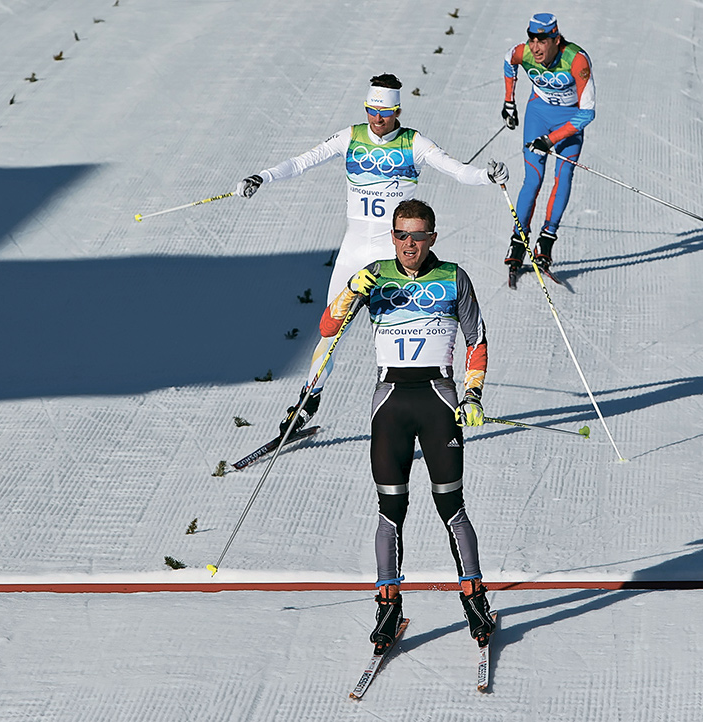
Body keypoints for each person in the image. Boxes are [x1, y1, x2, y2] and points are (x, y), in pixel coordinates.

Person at [235, 74, 509, 437]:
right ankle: (306, 402)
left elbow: (455, 169)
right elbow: (303, 161)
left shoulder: (414, 143)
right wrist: (262, 177)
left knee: (403, 335)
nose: (377, 120)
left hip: (391, 255)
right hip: (353, 250)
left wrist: (487, 177)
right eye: (371, 111)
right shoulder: (350, 136)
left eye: (385, 113)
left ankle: (424, 405)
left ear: (397, 110)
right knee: (329, 333)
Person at [318, 199, 496, 652]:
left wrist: (473, 394)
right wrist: (350, 292)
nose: (409, 244)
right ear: (392, 236)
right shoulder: (374, 276)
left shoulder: (453, 277)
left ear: (432, 237)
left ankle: (474, 600)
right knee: (389, 510)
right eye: (401, 235)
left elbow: (476, 340)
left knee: (450, 505)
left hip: (439, 399)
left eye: (418, 235)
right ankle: (387, 606)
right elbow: (326, 328)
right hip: (391, 402)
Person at [501, 13, 595, 273]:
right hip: (538, 116)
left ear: (556, 39)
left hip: (570, 122)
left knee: (563, 176)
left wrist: (551, 140)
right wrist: (509, 102)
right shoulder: (524, 53)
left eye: (542, 41)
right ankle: (518, 240)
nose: (535, 47)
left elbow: (587, 113)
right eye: (531, 39)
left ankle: (547, 238)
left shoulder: (576, 60)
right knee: (532, 179)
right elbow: (509, 60)